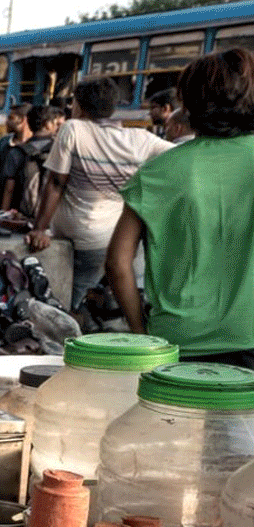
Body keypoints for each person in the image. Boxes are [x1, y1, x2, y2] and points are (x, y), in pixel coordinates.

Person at [107, 49, 254, 369]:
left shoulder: (157, 172)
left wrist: (140, 333)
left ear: (187, 104)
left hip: (177, 342)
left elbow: (118, 263)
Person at [25, 77, 172, 310]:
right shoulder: (141, 139)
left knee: (68, 303)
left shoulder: (73, 128)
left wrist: (39, 229)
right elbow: (183, 152)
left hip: (84, 240)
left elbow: (55, 183)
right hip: (120, 238)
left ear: (78, 106)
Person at [0, 104, 64, 216]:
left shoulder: (17, 151)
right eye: (56, 124)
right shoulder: (59, 151)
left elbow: (9, 188)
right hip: (50, 215)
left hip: (22, 214)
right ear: (47, 125)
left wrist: (4, 214)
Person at [0, 103, 31, 207]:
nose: (7, 122)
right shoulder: (4, 143)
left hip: (22, 205)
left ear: (23, 120)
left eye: (11, 118)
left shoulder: (33, 146)